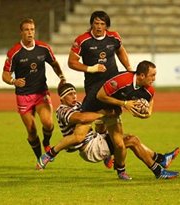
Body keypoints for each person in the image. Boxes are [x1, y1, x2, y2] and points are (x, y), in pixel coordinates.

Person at [38, 83, 179, 179]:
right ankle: (158, 170)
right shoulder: (62, 110)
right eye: (70, 94)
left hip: (95, 139)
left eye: (75, 93)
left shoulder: (78, 104)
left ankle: (160, 159)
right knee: (132, 141)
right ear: (62, 97)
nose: (74, 96)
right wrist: (103, 113)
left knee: (126, 137)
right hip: (89, 148)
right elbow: (82, 118)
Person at [67, 10, 133, 179]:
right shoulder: (82, 40)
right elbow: (71, 62)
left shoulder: (114, 37)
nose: (99, 27)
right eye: (96, 23)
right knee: (97, 120)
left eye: (102, 24)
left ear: (106, 25)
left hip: (113, 88)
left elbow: (120, 51)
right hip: (94, 90)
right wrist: (91, 68)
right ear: (92, 24)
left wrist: (127, 68)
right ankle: (62, 147)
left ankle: (119, 168)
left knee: (114, 117)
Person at [2, 18, 66, 163]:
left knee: (48, 123)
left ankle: (46, 143)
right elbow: (5, 74)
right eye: (26, 29)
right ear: (21, 32)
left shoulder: (43, 48)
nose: (30, 32)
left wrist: (62, 76)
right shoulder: (14, 52)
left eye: (32, 29)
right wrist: (13, 81)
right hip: (23, 95)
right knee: (31, 130)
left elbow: (54, 63)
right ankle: (39, 158)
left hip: (41, 93)